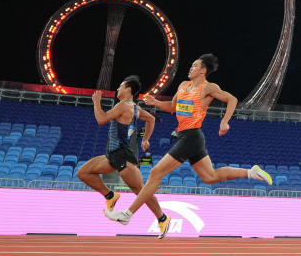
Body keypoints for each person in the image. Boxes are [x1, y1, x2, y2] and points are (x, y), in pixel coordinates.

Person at [104, 54, 272, 225]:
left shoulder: (208, 87)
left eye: (195, 66)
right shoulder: (183, 85)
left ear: (203, 70)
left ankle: (127, 214)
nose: (191, 68)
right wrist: (156, 103)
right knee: (210, 176)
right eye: (191, 65)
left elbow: (232, 99)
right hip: (188, 137)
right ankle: (251, 172)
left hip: (192, 136)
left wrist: (224, 121)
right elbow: (173, 107)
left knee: (155, 173)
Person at [75, 76, 170, 237]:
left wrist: (96, 102)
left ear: (128, 89)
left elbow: (101, 119)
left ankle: (163, 218)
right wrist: (145, 139)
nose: (117, 89)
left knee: (140, 191)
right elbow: (151, 119)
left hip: (123, 156)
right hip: (113, 155)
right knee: (83, 172)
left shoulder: (124, 105)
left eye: (120, 86)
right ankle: (110, 195)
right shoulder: (135, 108)